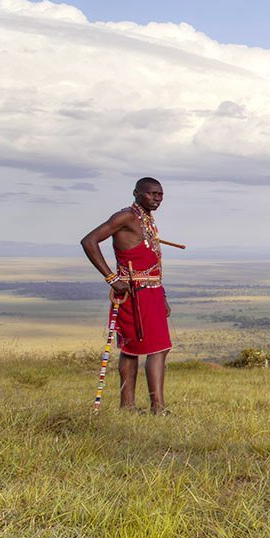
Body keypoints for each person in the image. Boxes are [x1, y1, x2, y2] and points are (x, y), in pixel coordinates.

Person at [79, 177, 172, 414]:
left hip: (151, 292)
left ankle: (128, 407)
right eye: (151, 194)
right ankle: (157, 408)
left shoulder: (146, 219)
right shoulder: (125, 216)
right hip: (134, 293)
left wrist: (163, 297)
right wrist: (111, 278)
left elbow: (151, 262)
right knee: (156, 349)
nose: (157, 198)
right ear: (136, 193)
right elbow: (89, 241)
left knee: (137, 350)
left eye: (160, 194)